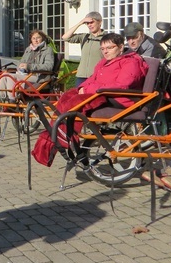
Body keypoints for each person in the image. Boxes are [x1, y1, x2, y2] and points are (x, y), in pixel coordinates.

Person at [32, 33, 148, 166]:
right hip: (102, 94)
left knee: (74, 104)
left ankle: (62, 139)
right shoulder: (104, 62)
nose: (105, 51)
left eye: (109, 48)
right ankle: (54, 134)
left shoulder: (131, 61)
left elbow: (122, 84)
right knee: (67, 96)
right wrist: (82, 88)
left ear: (121, 47)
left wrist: (88, 90)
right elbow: (92, 79)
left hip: (119, 98)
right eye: (103, 48)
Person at [0, 29, 55, 101]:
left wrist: (29, 66)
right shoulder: (28, 49)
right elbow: (21, 62)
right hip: (25, 74)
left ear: (43, 39)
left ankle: (12, 100)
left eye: (38, 38)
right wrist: (20, 66)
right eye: (33, 38)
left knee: (11, 77)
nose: (36, 40)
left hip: (39, 77)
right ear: (31, 40)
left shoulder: (48, 50)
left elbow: (48, 66)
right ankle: (2, 99)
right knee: (3, 75)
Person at [62, 11, 106, 87]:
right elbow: (65, 37)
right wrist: (80, 22)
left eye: (91, 22)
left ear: (100, 22)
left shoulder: (106, 38)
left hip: (97, 76)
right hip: (81, 76)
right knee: (79, 98)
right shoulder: (84, 37)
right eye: (87, 23)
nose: (89, 25)